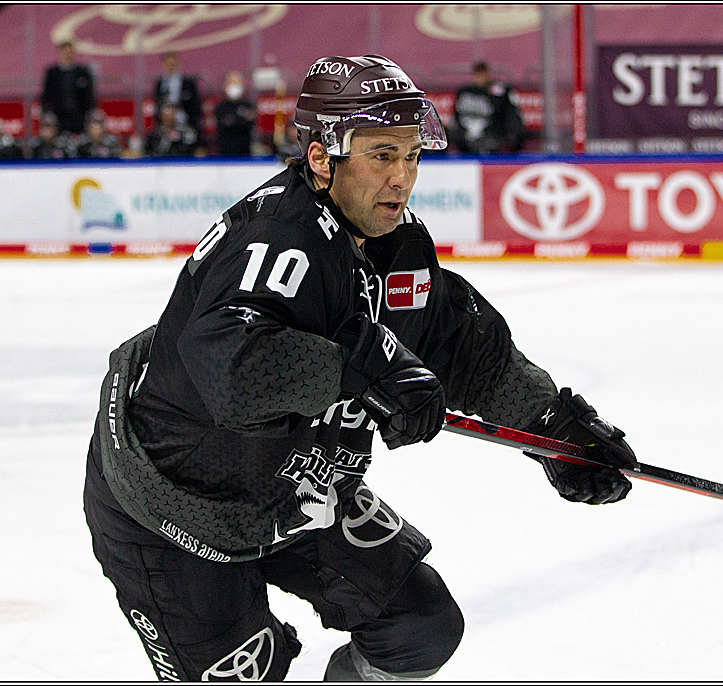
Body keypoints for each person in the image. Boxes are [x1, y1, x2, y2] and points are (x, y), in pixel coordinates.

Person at [83, 54, 636, 681]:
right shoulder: (279, 239)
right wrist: (362, 368)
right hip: (172, 508)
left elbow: (463, 346)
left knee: (419, 626)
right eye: (382, 157)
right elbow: (229, 364)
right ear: (322, 158)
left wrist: (555, 427)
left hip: (295, 489)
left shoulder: (397, 244)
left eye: (411, 156)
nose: (402, 178)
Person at [450, 61, 526, 154]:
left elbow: (511, 116)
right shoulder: (464, 93)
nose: (480, 77)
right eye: (478, 74)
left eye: (482, 73)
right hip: (466, 138)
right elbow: (456, 117)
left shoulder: (499, 92)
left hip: (492, 137)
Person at [40, 40, 95, 135]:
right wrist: (48, 112)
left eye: (70, 52)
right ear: (59, 52)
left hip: (78, 116)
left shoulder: (82, 72)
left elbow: (89, 95)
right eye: (65, 52)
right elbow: (46, 94)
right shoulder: (52, 73)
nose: (68, 55)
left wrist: (87, 113)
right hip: (58, 116)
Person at [153, 51, 203, 141]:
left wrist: (194, 124)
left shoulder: (188, 83)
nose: (171, 67)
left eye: (173, 64)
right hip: (166, 123)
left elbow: (195, 105)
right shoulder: (160, 83)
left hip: (185, 121)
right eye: (168, 64)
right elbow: (157, 104)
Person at [213, 71, 256, 156]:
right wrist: (241, 119)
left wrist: (234, 120)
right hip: (225, 153)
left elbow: (250, 124)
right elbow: (225, 125)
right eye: (232, 83)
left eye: (237, 83)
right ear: (225, 86)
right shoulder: (221, 107)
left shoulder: (248, 105)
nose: (234, 86)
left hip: (245, 152)